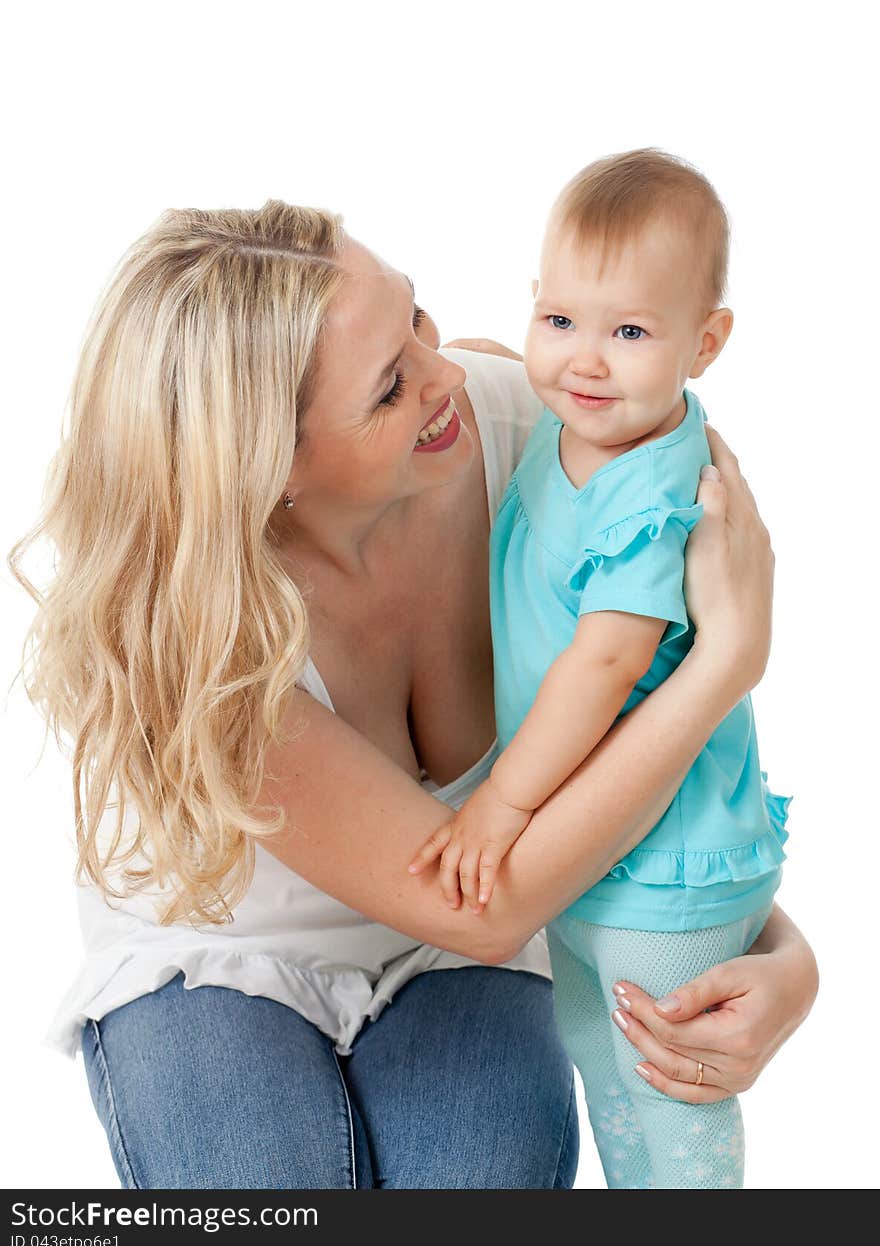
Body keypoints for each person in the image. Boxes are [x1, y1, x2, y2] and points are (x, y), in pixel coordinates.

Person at [7, 201, 817, 1191]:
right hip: (224, 957)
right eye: (390, 387)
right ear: (269, 468)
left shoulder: (541, 432)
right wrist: (727, 661)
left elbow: (668, 733)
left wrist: (780, 950)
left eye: (416, 319)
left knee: (484, 1181)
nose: (449, 379)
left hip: (464, 956)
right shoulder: (196, 635)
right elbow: (479, 901)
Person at [408, 149, 792, 1190]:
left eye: (629, 332)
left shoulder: (653, 489)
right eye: (562, 321)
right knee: (597, 1059)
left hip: (665, 864)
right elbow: (490, 367)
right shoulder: (573, 423)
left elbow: (606, 660)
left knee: (671, 1089)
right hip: (592, 854)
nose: (584, 360)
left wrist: (498, 805)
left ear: (705, 342)